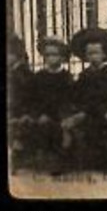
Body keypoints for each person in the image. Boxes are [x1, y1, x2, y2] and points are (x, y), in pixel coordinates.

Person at [68, 27, 107, 174]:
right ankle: (86, 162)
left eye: (96, 53)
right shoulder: (84, 75)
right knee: (86, 128)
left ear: (104, 54)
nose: (93, 57)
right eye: (89, 53)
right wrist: (79, 111)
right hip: (90, 112)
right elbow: (78, 95)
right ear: (85, 56)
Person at [27, 36, 75, 174]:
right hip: (43, 114)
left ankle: (60, 162)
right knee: (43, 126)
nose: (50, 58)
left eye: (54, 54)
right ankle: (47, 160)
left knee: (62, 129)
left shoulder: (67, 77)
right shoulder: (38, 77)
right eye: (47, 55)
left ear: (62, 57)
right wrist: (39, 114)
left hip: (61, 114)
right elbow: (33, 99)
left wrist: (66, 116)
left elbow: (70, 99)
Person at [7, 34, 34, 172]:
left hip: (23, 111)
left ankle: (19, 157)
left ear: (15, 55)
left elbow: (25, 97)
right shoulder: (13, 71)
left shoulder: (21, 73)